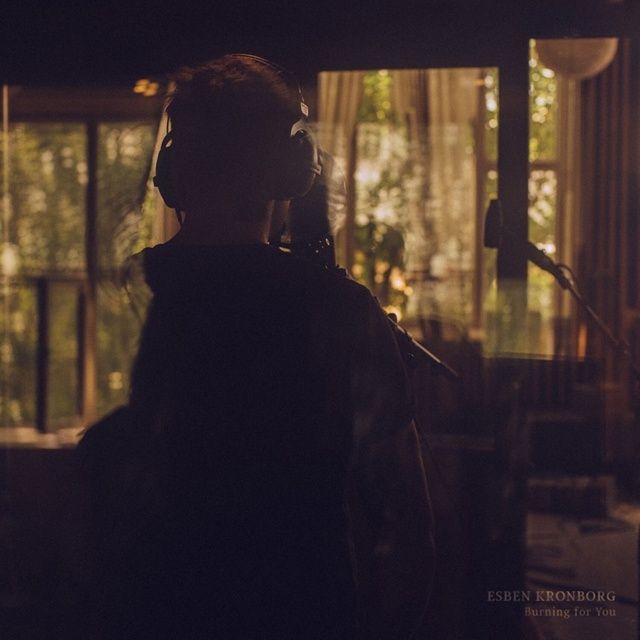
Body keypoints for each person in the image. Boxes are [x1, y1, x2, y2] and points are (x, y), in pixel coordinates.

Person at [77, 54, 434, 640]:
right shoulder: (342, 310)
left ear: (173, 172)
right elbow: (409, 532)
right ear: (291, 171)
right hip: (304, 617)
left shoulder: (125, 295)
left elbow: (87, 504)